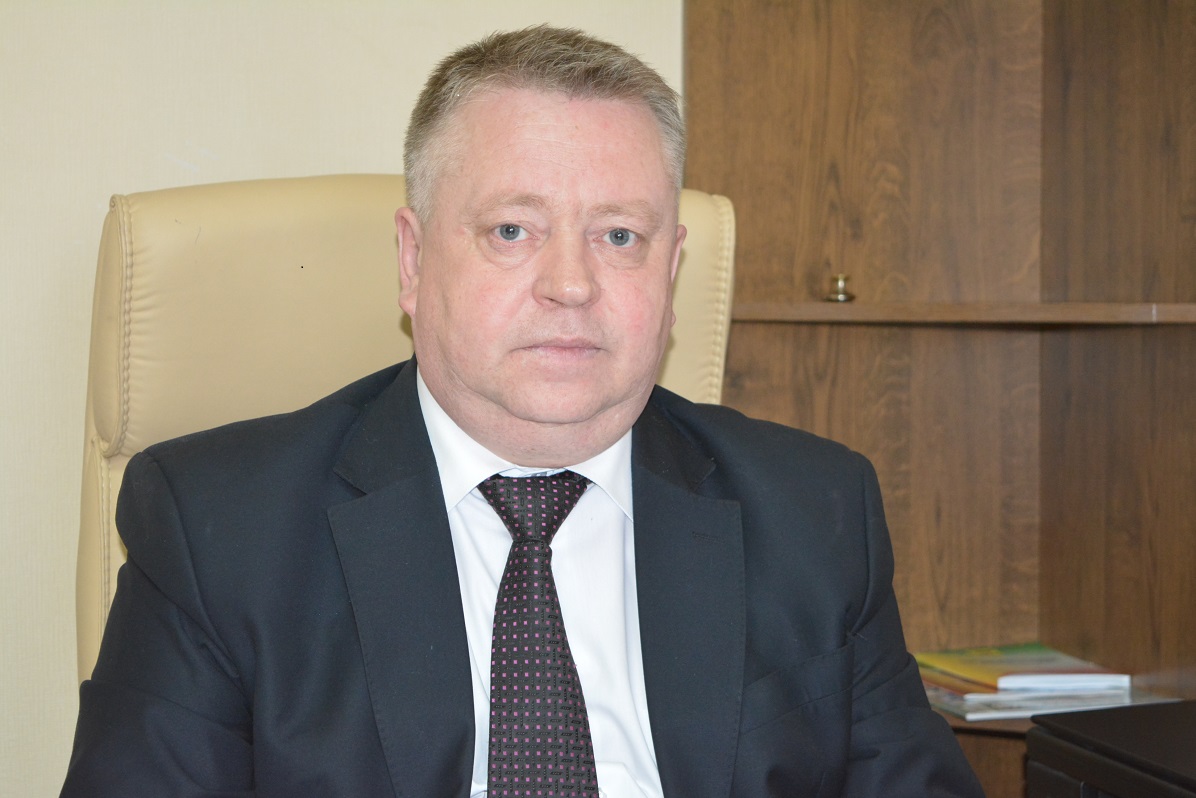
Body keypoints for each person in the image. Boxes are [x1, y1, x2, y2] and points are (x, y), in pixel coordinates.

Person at [61, 25, 983, 798]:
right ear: (413, 261)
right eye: (513, 230)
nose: (571, 284)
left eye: (618, 235)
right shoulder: (220, 529)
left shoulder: (815, 512)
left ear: (670, 272)